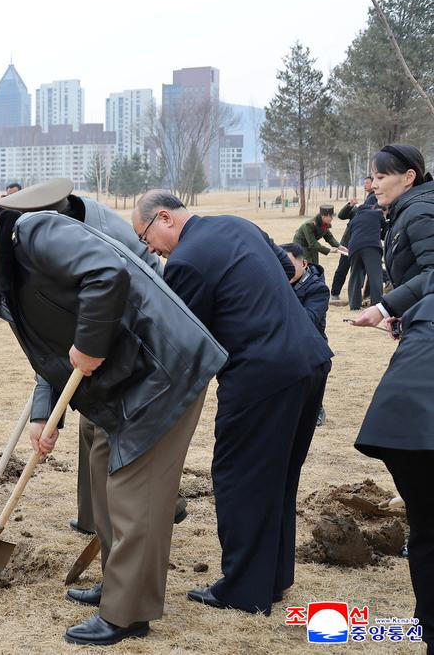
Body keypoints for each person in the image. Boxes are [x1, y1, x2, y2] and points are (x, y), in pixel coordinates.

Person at [0, 194, 227, 646]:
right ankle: (116, 581)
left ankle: (128, 613)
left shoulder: (37, 233)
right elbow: (47, 352)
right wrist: (46, 417)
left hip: (161, 370)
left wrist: (89, 343)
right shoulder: (14, 271)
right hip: (119, 383)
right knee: (102, 479)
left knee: (133, 494)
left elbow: (107, 273)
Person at [133, 190, 332, 617]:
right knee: (278, 474)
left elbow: (181, 334)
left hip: (261, 374)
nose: (149, 248)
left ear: (165, 218)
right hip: (310, 359)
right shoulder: (236, 224)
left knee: (238, 475)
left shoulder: (185, 262)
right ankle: (274, 578)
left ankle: (244, 589)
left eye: (146, 235)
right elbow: (283, 266)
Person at [0, 178, 185, 537]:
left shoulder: (85, 240)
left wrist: (85, 353)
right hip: (106, 347)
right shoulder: (52, 245)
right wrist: (43, 414)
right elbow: (54, 345)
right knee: (90, 427)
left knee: (105, 433)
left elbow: (109, 305)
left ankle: (155, 506)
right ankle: (92, 517)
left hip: (140, 345)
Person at [351, 270, 433, 653]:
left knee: (426, 528)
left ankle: (428, 623)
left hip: (394, 429)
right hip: (419, 424)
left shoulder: (424, 306)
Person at [354, 144, 434, 331]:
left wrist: (385, 308)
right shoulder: (405, 211)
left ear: (408, 177)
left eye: (381, 177)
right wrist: (405, 315)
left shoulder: (419, 212)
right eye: (373, 178)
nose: (373, 185)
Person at [282, 241, 331, 425]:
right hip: (282, 343)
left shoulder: (318, 289)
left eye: (288, 265)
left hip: (310, 346)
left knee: (311, 380)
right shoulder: (277, 282)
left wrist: (282, 294)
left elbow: (307, 320)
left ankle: (316, 407)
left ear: (304, 264)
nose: (284, 270)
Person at [330, 177, 377, 300]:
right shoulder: (359, 208)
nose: (365, 185)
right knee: (343, 268)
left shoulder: (372, 200)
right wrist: (350, 205)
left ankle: (361, 295)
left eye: (367, 182)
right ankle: (335, 294)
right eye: (364, 183)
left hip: (361, 243)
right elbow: (341, 215)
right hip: (348, 243)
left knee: (361, 269)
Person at [346, 203, 387, 311]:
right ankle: (376, 304)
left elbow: (351, 235)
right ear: (371, 208)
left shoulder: (354, 220)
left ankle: (354, 305)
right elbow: (386, 230)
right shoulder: (377, 214)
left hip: (354, 248)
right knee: (375, 275)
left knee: (355, 274)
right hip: (371, 246)